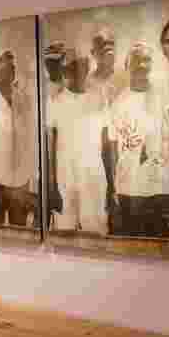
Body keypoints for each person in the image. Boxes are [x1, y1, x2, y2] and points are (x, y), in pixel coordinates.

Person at [107, 43, 169, 237]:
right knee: (129, 249)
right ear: (127, 66)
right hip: (128, 190)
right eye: (136, 61)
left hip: (160, 190)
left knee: (159, 249)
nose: (141, 66)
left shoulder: (167, 100)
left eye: (146, 61)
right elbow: (112, 147)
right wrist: (112, 189)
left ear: (151, 65)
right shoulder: (118, 103)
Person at [46, 48, 109, 235]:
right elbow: (50, 146)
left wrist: (111, 186)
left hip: (93, 178)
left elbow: (107, 143)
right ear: (64, 71)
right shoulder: (55, 102)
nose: (75, 72)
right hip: (65, 179)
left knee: (95, 235)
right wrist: (52, 185)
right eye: (70, 68)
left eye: (80, 66)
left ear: (87, 68)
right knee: (64, 235)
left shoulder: (99, 99)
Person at [0, 50, 38, 226]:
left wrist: (33, 178)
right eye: (6, 67)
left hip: (21, 181)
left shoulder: (25, 99)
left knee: (19, 232)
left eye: (13, 67)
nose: (11, 70)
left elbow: (31, 139)